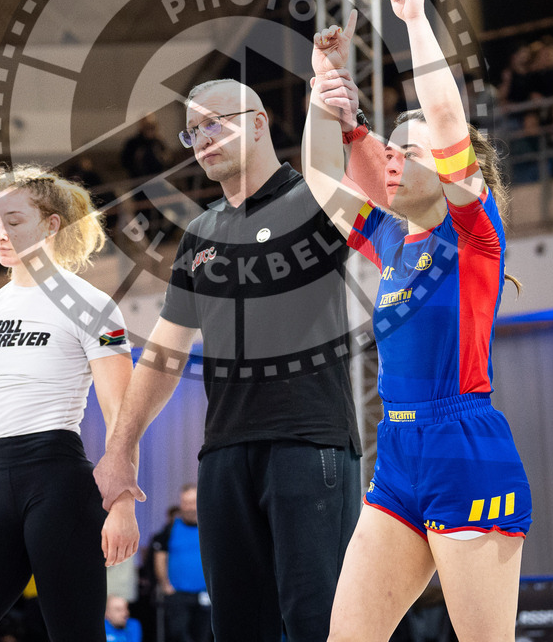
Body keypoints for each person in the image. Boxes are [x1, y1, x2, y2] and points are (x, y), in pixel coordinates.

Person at [94, 80, 387, 642]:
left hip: (308, 443)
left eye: (215, 123)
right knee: (236, 629)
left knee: (319, 624)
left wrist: (336, 106)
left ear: (258, 121)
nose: (202, 139)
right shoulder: (199, 234)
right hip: (224, 454)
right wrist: (120, 448)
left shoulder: (314, 199)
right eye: (192, 131)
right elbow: (165, 352)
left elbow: (376, 190)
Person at [302, 0, 532, 642]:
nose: (397, 158)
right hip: (398, 457)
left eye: (414, 149)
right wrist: (321, 91)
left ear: (460, 173)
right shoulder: (393, 241)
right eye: (393, 149)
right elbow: (319, 175)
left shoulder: (472, 234)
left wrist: (413, 21)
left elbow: (445, 113)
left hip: (465, 452)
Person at [0, 165, 140, 642]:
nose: (0, 234)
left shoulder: (92, 305)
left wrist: (123, 504)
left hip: (61, 489)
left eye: (14, 221)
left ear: (51, 225)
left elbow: (122, 413)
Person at [152, 484, 211, 642]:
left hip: (205, 594)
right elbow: (160, 556)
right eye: (186, 502)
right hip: (178, 594)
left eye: (193, 502)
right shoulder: (171, 528)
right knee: (178, 634)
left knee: (203, 636)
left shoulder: (210, 527)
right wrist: (165, 584)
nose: (190, 507)